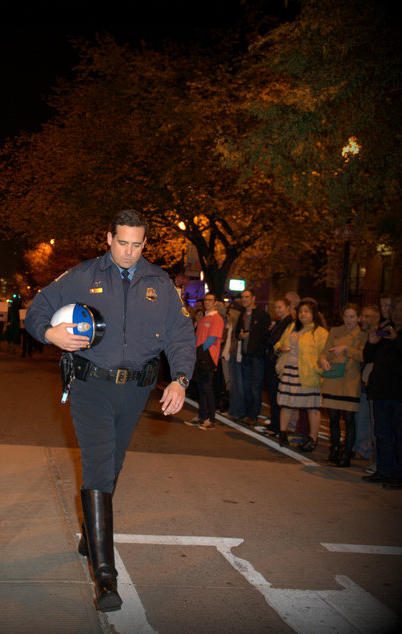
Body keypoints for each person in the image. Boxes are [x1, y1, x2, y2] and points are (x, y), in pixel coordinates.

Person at [25, 209, 195, 612]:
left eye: (137, 244)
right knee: (100, 465)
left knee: (113, 465)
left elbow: (181, 335)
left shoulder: (160, 283)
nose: (129, 251)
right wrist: (49, 333)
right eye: (123, 242)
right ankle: (105, 577)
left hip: (135, 391)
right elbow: (36, 311)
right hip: (90, 386)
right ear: (108, 238)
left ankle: (91, 525)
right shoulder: (82, 276)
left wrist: (180, 379)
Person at [362, 296, 402, 489]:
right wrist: (371, 342)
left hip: (400, 394)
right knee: (382, 433)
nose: (397, 313)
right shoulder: (385, 328)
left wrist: (396, 339)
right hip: (380, 392)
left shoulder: (398, 334)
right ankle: (383, 470)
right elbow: (369, 357)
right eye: (395, 310)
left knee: (400, 436)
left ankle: (399, 474)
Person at [275, 298, 329, 452]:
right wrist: (280, 349)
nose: (303, 314)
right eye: (301, 311)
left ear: (314, 314)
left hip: (309, 373)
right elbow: (278, 344)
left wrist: (317, 368)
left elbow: (324, 353)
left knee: (312, 406)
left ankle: (313, 438)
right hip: (289, 370)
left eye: (307, 311)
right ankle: (283, 433)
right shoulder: (292, 327)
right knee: (286, 404)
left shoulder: (320, 332)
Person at [318, 303, 367, 467]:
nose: (348, 320)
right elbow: (325, 352)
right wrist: (323, 360)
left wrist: (346, 349)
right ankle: (334, 451)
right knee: (333, 417)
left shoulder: (363, 334)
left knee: (348, 419)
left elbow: (363, 356)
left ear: (359, 318)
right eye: (346, 316)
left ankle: (346, 455)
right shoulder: (335, 331)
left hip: (350, 381)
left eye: (352, 316)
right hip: (333, 378)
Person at [187, 292, 224, 430]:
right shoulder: (203, 319)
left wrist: (200, 351)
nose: (207, 302)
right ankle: (202, 416)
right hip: (200, 355)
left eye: (210, 300)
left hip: (208, 357)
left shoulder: (217, 319)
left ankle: (211, 419)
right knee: (201, 388)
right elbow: (197, 337)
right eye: (205, 300)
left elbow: (212, 338)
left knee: (207, 388)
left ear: (215, 303)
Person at [234, 288, 271, 427]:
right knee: (246, 387)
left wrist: (253, 340)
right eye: (243, 297)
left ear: (253, 298)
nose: (244, 299)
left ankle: (253, 415)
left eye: (247, 297)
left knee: (255, 387)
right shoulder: (242, 315)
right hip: (245, 356)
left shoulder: (262, 315)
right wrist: (240, 336)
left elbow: (265, 336)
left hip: (257, 357)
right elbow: (237, 332)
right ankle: (247, 414)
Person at [353, 305, 381, 469]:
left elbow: (365, 356)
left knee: (375, 422)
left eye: (367, 316)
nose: (363, 319)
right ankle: (361, 448)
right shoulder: (362, 334)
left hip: (375, 384)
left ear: (376, 318)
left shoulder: (379, 335)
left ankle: (376, 460)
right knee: (361, 417)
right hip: (362, 382)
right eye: (362, 316)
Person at [262, 297, 293, 438]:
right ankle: (275, 424)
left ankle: (277, 426)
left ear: (288, 308)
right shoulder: (280, 322)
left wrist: (273, 343)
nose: (278, 310)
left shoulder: (289, 322)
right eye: (276, 307)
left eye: (280, 307)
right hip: (273, 360)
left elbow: (273, 341)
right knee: (273, 395)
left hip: (278, 362)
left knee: (276, 395)